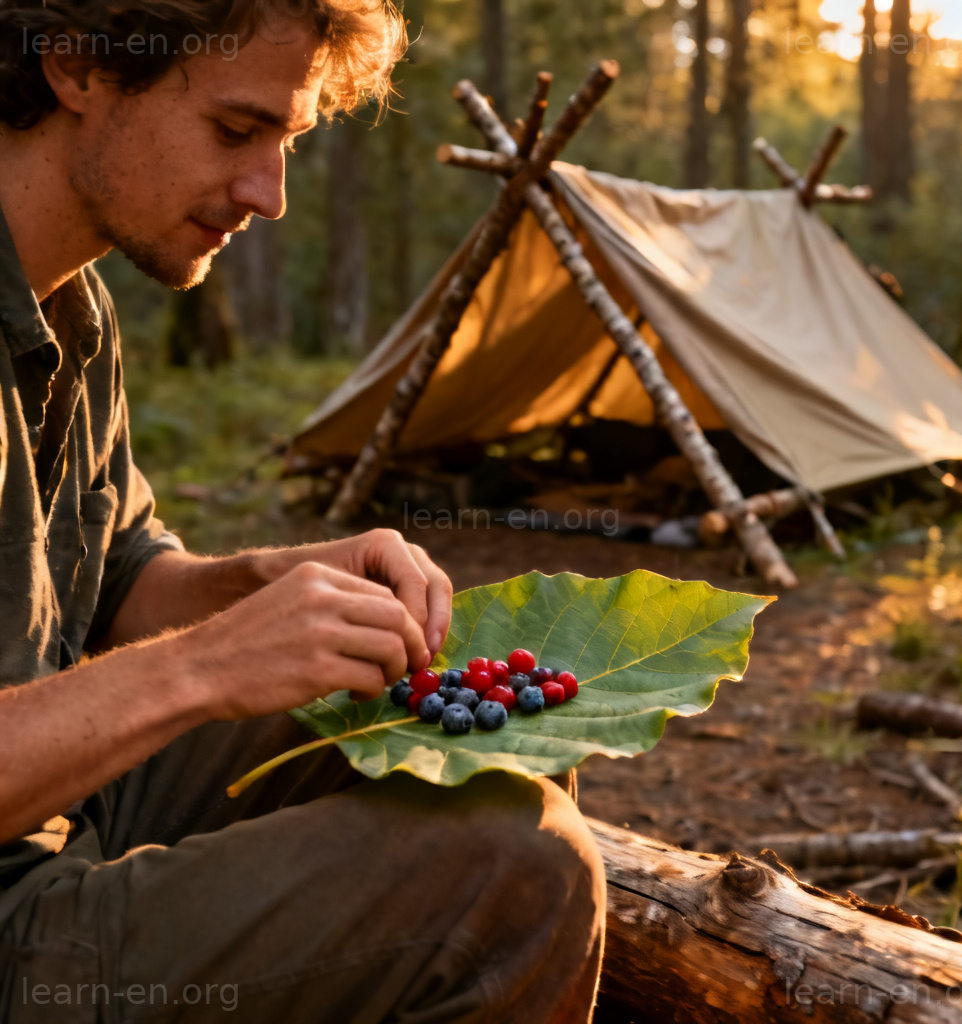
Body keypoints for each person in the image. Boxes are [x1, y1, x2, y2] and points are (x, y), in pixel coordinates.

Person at [0, 2, 606, 1020]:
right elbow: (170, 661)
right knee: (512, 871)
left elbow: (115, 582)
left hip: (58, 808)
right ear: (76, 66)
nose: (267, 195)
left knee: (471, 735)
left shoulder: (69, 305)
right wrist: (205, 667)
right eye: (236, 133)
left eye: (286, 142)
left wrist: (272, 585)